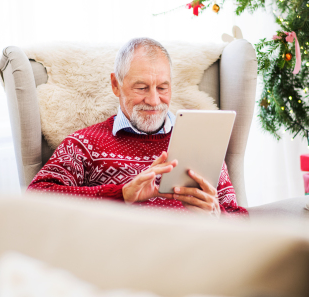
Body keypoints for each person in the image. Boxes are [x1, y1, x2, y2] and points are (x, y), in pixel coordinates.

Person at [27, 38, 248, 217]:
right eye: (141, 88)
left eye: (162, 87)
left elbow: (241, 222)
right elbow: (36, 197)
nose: (153, 101)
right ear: (116, 85)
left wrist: (217, 215)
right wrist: (121, 194)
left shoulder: (202, 142)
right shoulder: (85, 144)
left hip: (194, 258)